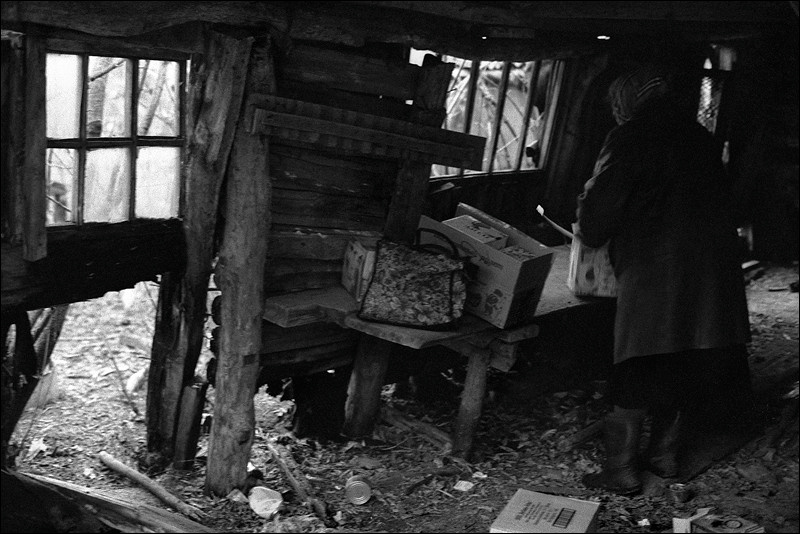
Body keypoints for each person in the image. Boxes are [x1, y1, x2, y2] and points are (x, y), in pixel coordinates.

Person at [575, 64, 753, 495]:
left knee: (638, 359)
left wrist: (587, 215)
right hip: (710, 270)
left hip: (657, 269)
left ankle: (620, 469)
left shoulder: (629, 136)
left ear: (628, 100)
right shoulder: (700, 138)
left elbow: (599, 214)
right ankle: (665, 456)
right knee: (683, 353)